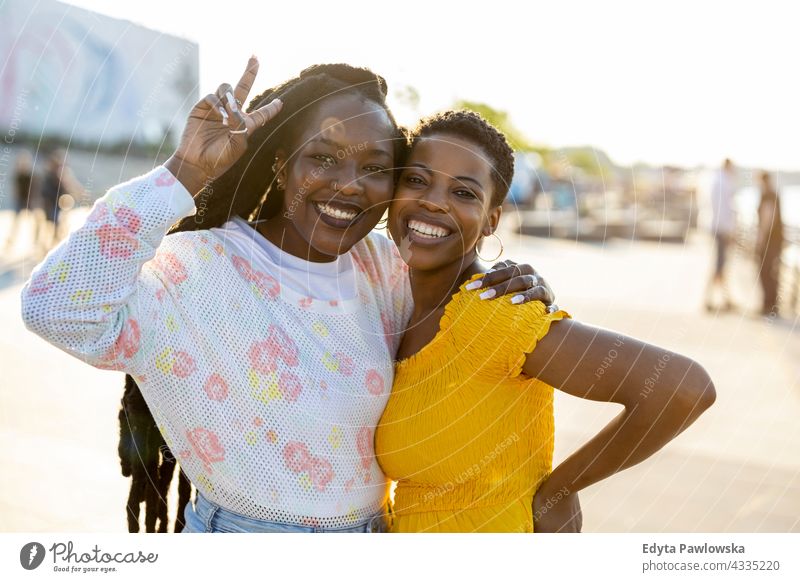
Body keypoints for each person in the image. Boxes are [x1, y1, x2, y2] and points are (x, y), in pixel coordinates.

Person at [21, 59, 550, 533]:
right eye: (323, 158)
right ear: (281, 165)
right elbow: (55, 309)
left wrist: (509, 277)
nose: (349, 185)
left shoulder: (384, 269)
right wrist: (184, 172)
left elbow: (455, 316)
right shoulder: (198, 267)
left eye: (374, 169)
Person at [374, 111, 717, 532]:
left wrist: (562, 489)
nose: (433, 201)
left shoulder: (495, 312)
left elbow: (681, 389)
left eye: (464, 193)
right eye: (417, 180)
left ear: (491, 220)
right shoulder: (388, 296)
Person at [704, 158, 737, 312]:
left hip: (718, 228)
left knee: (720, 265)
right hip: (721, 229)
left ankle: (723, 299)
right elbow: (724, 209)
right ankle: (710, 299)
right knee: (719, 265)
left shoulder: (717, 181)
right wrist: (728, 231)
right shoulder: (723, 183)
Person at [3, 150, 42, 253]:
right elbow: (16, 189)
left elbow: (34, 189)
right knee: (16, 220)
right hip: (21, 200)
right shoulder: (18, 175)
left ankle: (36, 240)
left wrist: (32, 201)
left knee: (36, 220)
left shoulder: (31, 175)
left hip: (29, 200)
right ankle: (12, 239)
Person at [756, 171, 784, 316]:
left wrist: (760, 239)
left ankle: (769, 305)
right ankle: (772, 306)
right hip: (777, 241)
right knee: (772, 272)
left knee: (766, 271)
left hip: (769, 241)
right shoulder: (774, 195)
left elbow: (767, 218)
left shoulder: (768, 195)